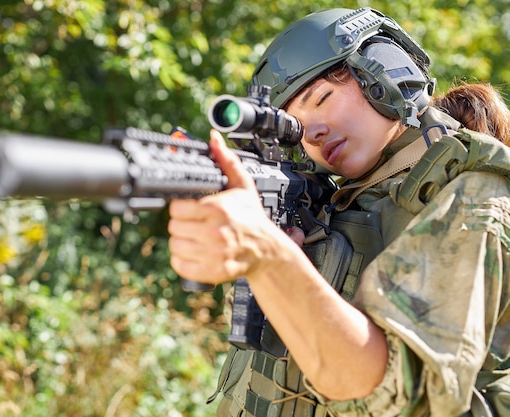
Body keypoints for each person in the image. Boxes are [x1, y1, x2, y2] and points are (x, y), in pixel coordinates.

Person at [167, 7, 510, 417]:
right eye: (295, 125)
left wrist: (272, 258)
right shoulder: (339, 202)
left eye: (322, 99)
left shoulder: (467, 194)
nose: (311, 133)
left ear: (386, 72)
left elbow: (399, 397)